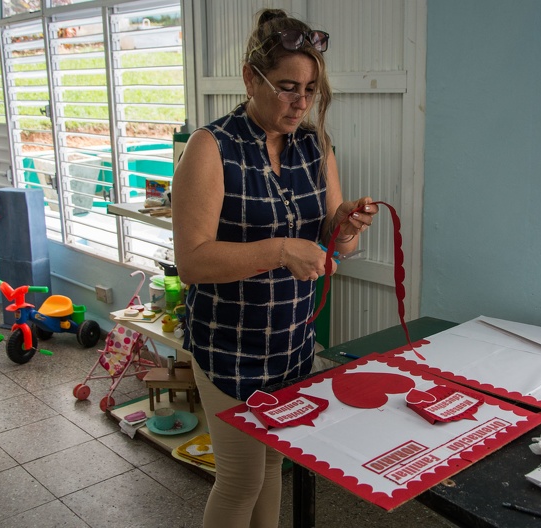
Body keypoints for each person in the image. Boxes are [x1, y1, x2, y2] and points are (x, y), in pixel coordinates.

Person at [171, 9, 379, 528]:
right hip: (228, 347)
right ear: (250, 78)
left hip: (290, 344)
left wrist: (346, 226)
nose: (301, 103)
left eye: (310, 90)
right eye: (287, 88)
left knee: (271, 467)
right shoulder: (211, 148)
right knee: (240, 480)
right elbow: (192, 261)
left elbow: (336, 241)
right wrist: (282, 250)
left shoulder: (314, 146)